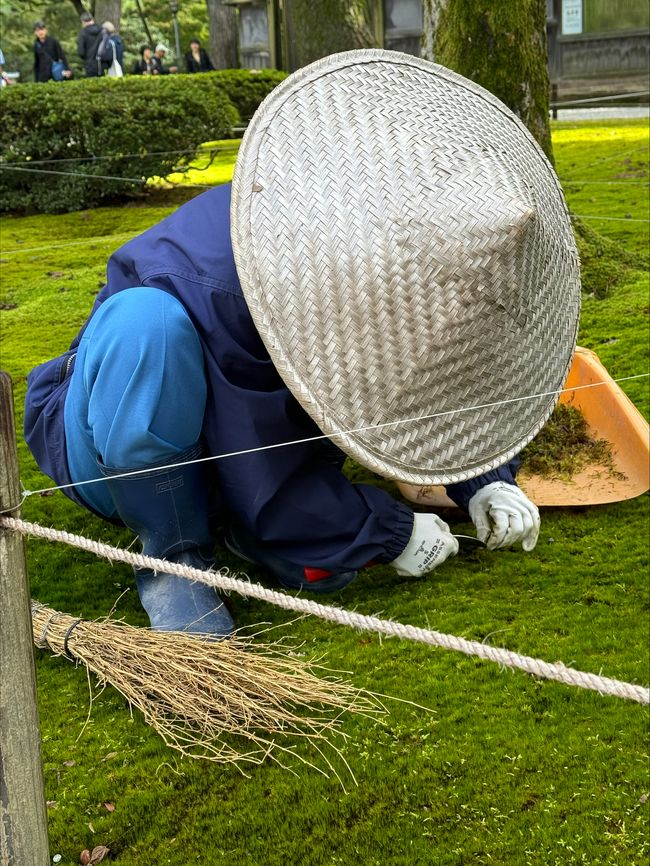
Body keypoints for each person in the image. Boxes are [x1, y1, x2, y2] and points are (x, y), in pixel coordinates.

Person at [23, 51, 580, 639]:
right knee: (146, 328)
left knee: (315, 564)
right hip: (112, 443)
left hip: (253, 449)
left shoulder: (383, 265)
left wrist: (485, 480)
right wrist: (387, 530)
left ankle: (243, 533)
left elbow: (433, 366)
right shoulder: (238, 267)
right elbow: (258, 469)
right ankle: (175, 557)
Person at [77, 10, 103, 77]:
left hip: (90, 65)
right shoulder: (102, 30)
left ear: (83, 21)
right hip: (103, 63)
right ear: (92, 19)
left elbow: (81, 52)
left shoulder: (83, 33)